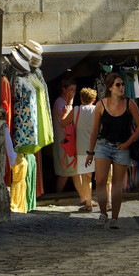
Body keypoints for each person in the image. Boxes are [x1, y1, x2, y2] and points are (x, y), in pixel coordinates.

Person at [84, 71, 139, 228]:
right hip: (103, 145)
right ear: (110, 87)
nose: (122, 87)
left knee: (117, 185)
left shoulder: (130, 103)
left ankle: (115, 218)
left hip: (121, 147)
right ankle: (103, 213)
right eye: (118, 84)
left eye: (123, 84)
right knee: (101, 180)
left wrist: (128, 143)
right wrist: (90, 152)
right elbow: (95, 129)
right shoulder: (100, 105)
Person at [51, 79, 93, 211]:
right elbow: (66, 119)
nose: (73, 93)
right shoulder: (60, 102)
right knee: (66, 171)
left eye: (75, 90)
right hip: (64, 142)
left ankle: (84, 198)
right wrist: (70, 103)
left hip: (69, 143)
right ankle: (57, 196)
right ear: (64, 89)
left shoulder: (66, 103)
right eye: (71, 90)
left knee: (72, 171)